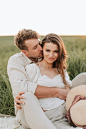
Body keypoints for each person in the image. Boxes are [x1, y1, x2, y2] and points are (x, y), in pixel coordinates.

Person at [7, 29, 86, 129]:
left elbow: (66, 84)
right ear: (25, 52)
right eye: (35, 47)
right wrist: (58, 92)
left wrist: (67, 92)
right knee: (26, 96)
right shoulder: (17, 62)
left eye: (39, 44)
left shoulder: (46, 57)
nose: (41, 48)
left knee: (84, 77)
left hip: (60, 107)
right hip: (32, 108)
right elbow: (22, 89)